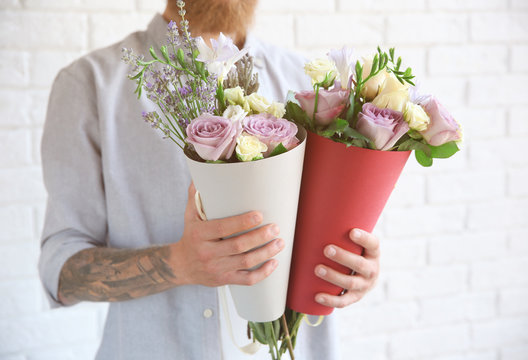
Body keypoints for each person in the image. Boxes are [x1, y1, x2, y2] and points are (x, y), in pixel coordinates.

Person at [38, 0, 381, 359]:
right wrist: (178, 264)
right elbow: (60, 272)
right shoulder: (90, 84)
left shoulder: (312, 87)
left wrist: (356, 268)